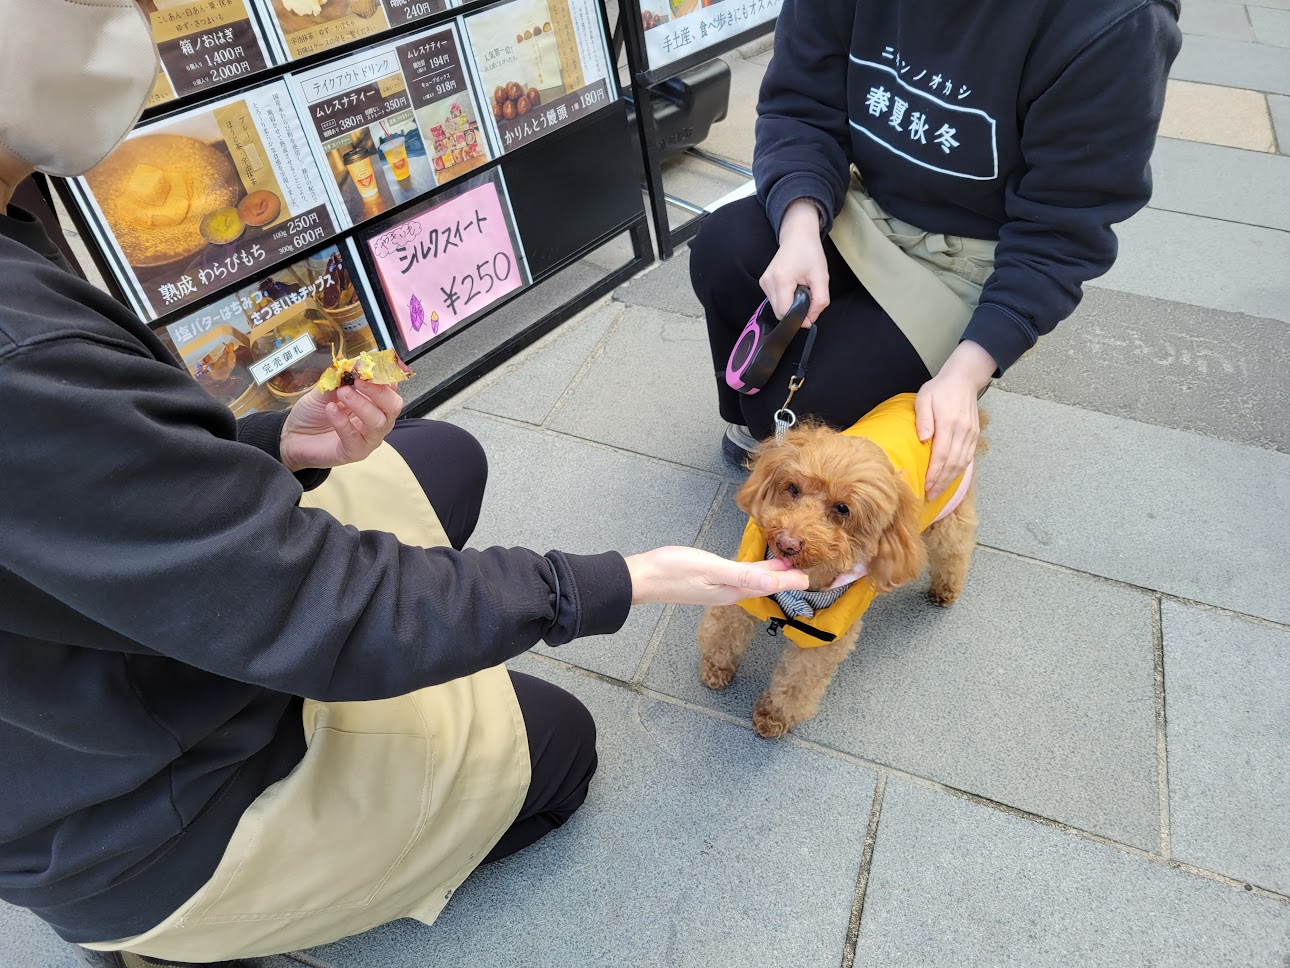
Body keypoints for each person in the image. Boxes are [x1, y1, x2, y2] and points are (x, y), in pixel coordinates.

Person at [0, 3, 808, 966]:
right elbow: (313, 604)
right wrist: (615, 581)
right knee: (566, 750)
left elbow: (104, 504)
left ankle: (403, 703)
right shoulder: (22, 360)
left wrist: (270, 447)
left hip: (117, 668)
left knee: (444, 459)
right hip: (143, 812)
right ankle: (175, 937)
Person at [692, 0, 1181, 500]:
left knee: (805, 407)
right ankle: (758, 425)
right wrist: (799, 226)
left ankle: (817, 426)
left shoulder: (1118, 20)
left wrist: (966, 375)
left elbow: (1063, 225)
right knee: (724, 249)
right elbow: (801, 105)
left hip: (974, 259)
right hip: (861, 203)